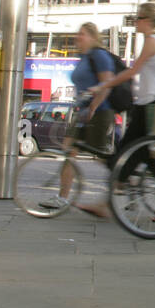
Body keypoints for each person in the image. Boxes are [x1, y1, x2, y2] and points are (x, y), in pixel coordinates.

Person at [95, 2, 155, 222]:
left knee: (128, 153)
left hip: (150, 107)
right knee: (153, 158)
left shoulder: (152, 41)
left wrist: (106, 84)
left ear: (148, 21)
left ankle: (107, 202)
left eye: (138, 17)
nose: (135, 21)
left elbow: (133, 71)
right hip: (151, 104)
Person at [41, 22, 118, 215]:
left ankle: (124, 180)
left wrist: (93, 106)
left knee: (102, 157)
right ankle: (62, 198)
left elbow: (107, 84)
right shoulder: (84, 57)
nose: (77, 37)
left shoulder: (99, 55)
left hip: (100, 111)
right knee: (69, 151)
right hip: (83, 112)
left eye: (82, 34)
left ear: (92, 36)